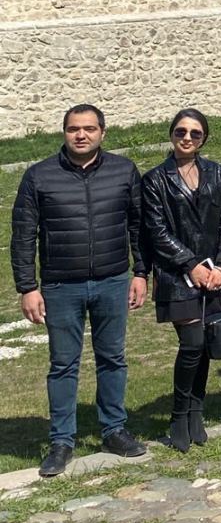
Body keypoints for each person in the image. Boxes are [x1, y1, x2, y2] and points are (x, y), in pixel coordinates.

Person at [10, 104, 148, 477]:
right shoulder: (39, 176)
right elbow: (24, 236)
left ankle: (114, 430)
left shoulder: (124, 171)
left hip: (113, 280)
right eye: (74, 129)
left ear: (103, 132)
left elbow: (138, 227)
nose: (81, 135)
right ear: (65, 133)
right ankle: (61, 441)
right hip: (60, 285)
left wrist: (140, 273)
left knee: (113, 358)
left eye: (89, 128)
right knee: (63, 365)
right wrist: (28, 287)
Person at [141, 108, 221, 453]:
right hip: (176, 274)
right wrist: (191, 264)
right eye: (181, 131)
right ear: (171, 134)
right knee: (192, 342)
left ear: (204, 139)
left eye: (195, 134)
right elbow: (157, 231)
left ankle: (197, 411)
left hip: (212, 273)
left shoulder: (216, 173)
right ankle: (179, 414)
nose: (187, 138)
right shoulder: (155, 179)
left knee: (207, 342)